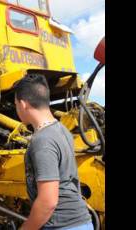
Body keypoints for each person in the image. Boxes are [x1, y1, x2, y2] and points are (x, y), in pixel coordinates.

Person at [13, 74, 93, 230]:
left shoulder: (42, 140)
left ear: (23, 104)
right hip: (79, 222)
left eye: (15, 104)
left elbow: (48, 202)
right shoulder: (61, 130)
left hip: (62, 225)